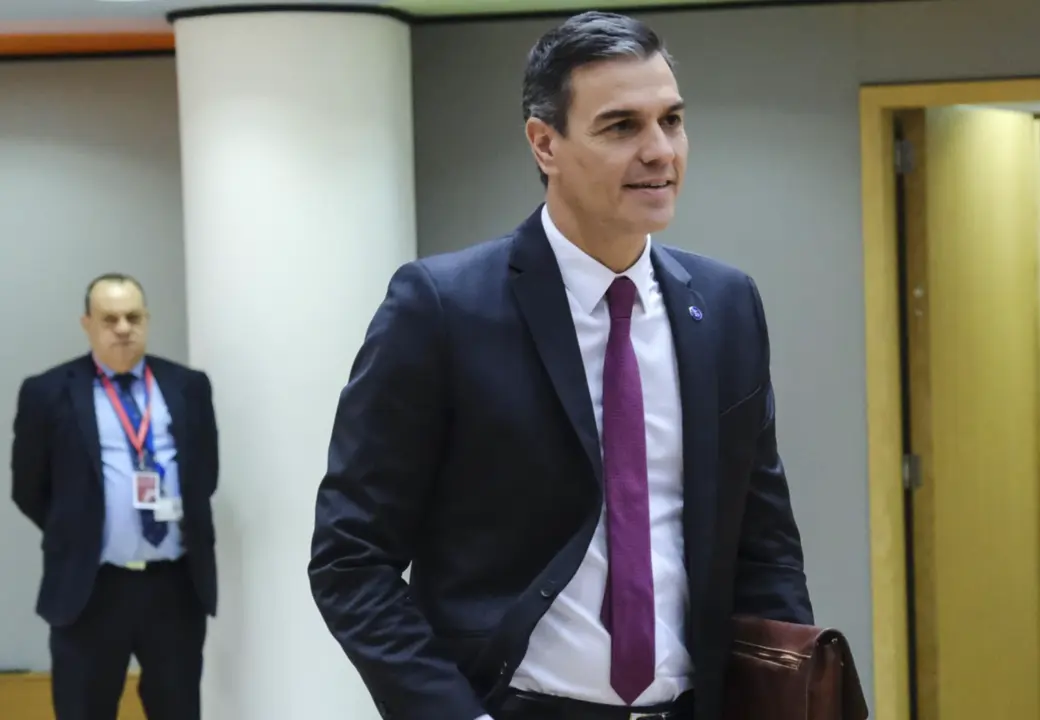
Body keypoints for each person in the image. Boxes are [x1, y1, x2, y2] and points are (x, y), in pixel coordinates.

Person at [308, 11, 812, 720]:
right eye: (621, 127)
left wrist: (788, 700)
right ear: (544, 143)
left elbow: (763, 546)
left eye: (671, 120)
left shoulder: (725, 306)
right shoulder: (443, 308)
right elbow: (350, 559)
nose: (659, 151)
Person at [10, 273, 219, 720]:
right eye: (110, 318)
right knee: (85, 710)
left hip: (174, 588)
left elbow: (205, 475)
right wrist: (77, 531)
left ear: (146, 319)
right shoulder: (47, 392)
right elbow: (28, 487)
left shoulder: (188, 387)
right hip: (90, 589)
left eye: (133, 317)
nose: (123, 328)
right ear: (87, 323)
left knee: (178, 709)